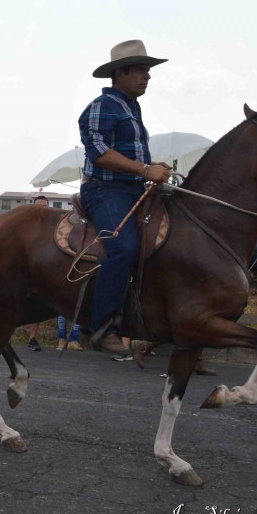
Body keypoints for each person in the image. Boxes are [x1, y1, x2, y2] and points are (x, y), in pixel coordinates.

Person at [78, 40, 173, 354]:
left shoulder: (131, 107)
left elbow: (132, 158)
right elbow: (100, 153)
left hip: (131, 188)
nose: (148, 77)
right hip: (104, 190)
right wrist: (146, 170)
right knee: (123, 247)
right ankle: (101, 327)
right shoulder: (101, 106)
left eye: (148, 71)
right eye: (141, 71)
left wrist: (151, 167)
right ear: (119, 73)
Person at [26, 195, 50, 351]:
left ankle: (32, 338)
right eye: (38, 206)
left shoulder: (50, 229)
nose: (42, 210)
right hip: (22, 273)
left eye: (45, 207)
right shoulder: (26, 227)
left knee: (36, 306)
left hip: (40, 274)